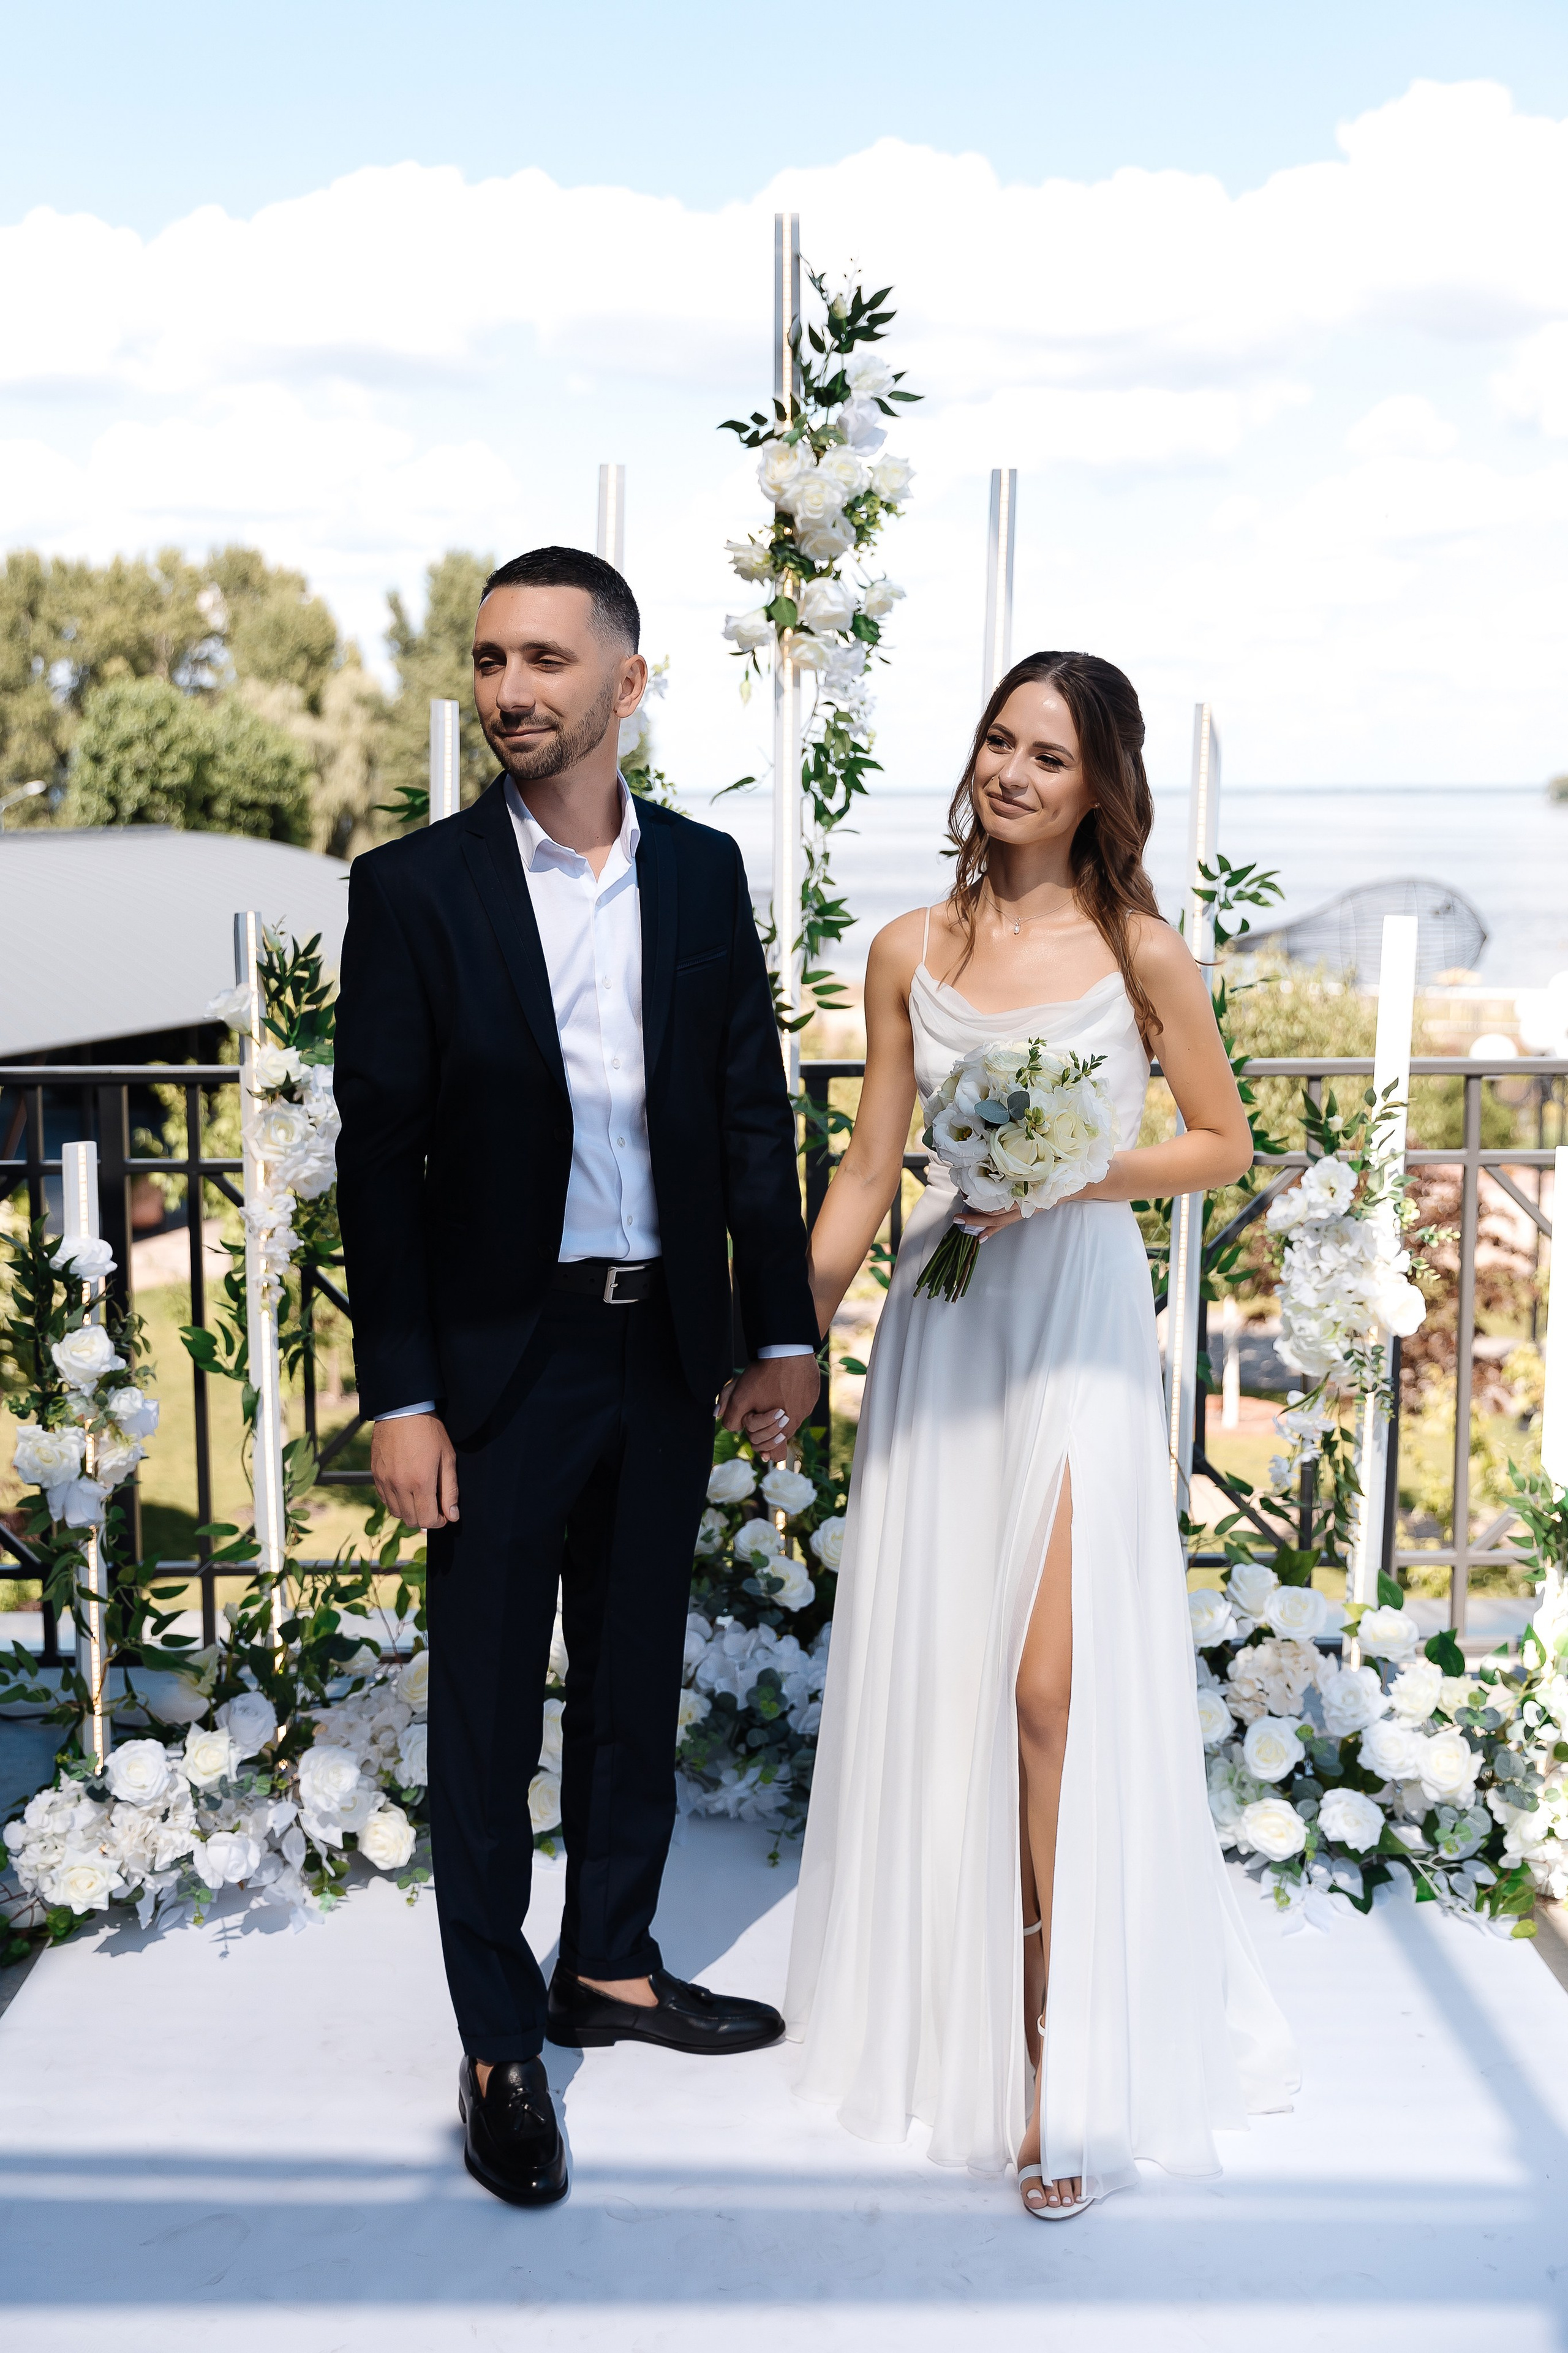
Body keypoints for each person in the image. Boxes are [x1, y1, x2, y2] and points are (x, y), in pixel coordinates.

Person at [777, 652, 1299, 2218]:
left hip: (1073, 1316)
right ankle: (965, 2015)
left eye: (1047, 756)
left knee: (1047, 1688)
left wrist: (1074, 1169)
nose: (1010, 772)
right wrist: (788, 1337)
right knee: (950, 1666)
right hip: (947, 1325)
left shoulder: (1143, 953)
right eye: (998, 741)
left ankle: (1057, 2050)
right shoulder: (906, 949)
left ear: (1096, 787)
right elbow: (869, 1168)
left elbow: (1219, 1143)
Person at [334, 547, 821, 2208]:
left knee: (630, 1678)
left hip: (664, 1344)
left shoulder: (701, 872)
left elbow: (749, 1118)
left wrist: (781, 1330)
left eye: (545, 659)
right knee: (484, 1710)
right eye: (489, 661)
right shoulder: (414, 889)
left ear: (627, 680)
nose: (510, 691)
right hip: (501, 1359)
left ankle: (607, 1962)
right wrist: (401, 1396)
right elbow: (378, 1165)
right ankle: (498, 2044)